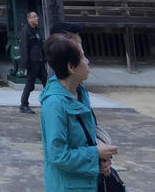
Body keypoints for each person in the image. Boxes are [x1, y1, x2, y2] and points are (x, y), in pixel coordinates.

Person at [40, 34, 117, 192]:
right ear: (71, 67)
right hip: (67, 186)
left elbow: (86, 139)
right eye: (82, 56)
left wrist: (100, 161)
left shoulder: (80, 93)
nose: (87, 61)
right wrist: (95, 152)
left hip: (87, 182)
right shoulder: (54, 104)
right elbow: (58, 155)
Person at [19, 10, 48, 113]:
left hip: (40, 61)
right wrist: (25, 64)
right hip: (32, 62)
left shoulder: (36, 31)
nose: (37, 18)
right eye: (34, 17)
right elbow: (24, 48)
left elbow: (40, 46)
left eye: (37, 16)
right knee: (30, 85)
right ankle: (23, 105)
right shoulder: (25, 30)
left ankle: (49, 102)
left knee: (47, 82)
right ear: (29, 19)